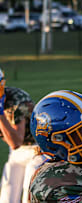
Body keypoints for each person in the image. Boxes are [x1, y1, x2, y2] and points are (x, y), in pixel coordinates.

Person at [0, 68, 46, 203]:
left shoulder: (18, 99)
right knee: (7, 194)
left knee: (29, 191)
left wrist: (0, 113)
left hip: (37, 149)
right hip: (16, 153)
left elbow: (16, 142)